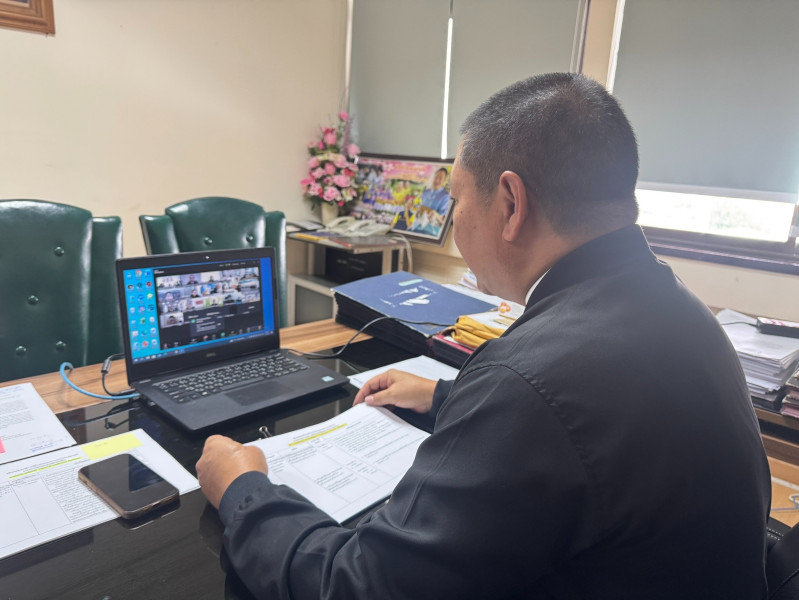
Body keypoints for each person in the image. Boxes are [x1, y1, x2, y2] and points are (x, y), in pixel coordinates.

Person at [196, 73, 771, 598]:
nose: (453, 222)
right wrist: (444, 396)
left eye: (455, 198)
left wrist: (244, 491)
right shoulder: (679, 307)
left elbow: (357, 587)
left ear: (511, 204)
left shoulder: (528, 379)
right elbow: (602, 422)